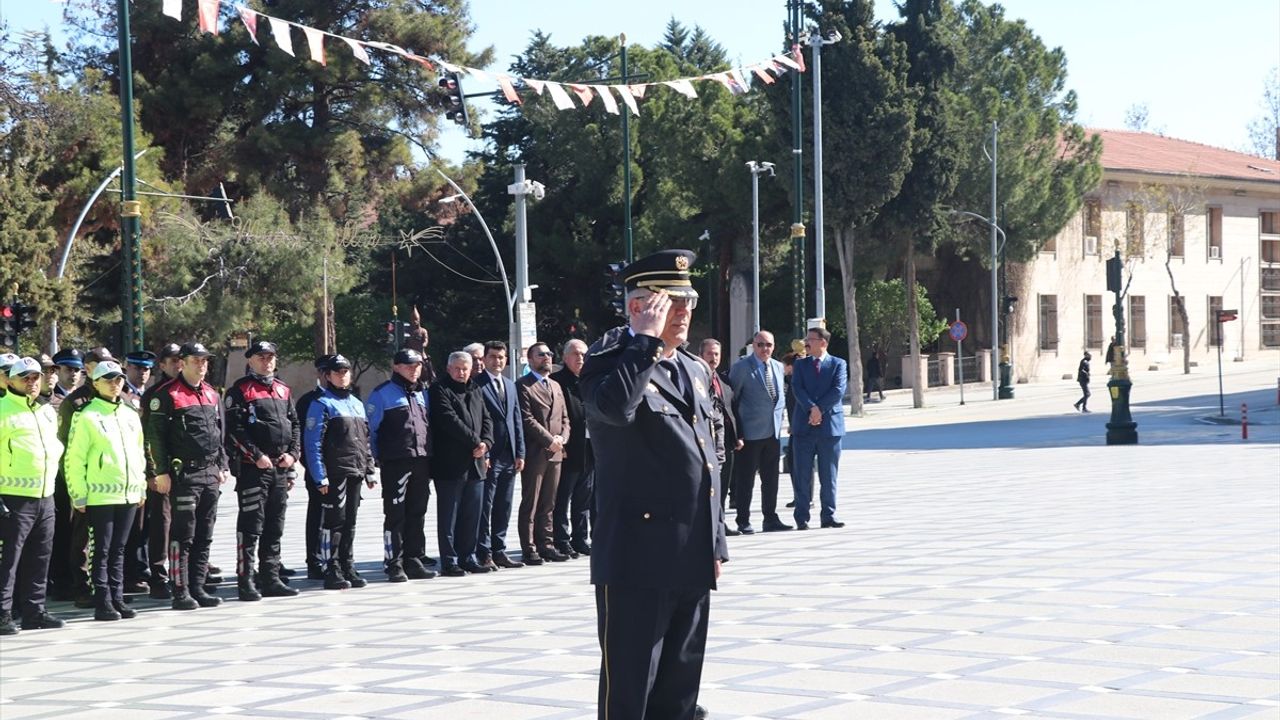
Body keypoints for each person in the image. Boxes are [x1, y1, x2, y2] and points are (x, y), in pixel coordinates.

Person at [582, 249, 727, 720]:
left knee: (680, 690)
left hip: (691, 554)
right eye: (672, 303)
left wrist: (716, 543)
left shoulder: (694, 368)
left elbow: (709, 459)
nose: (685, 312)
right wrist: (643, 343)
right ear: (637, 308)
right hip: (636, 559)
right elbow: (616, 411)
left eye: (690, 301)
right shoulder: (608, 362)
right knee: (631, 693)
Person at [144, 342, 230, 610]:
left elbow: (218, 432)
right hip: (184, 474)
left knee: (205, 533)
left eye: (205, 361)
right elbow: (154, 437)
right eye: (196, 360)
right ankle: (180, 590)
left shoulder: (211, 394)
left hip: (209, 472)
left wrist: (222, 465)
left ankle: (198, 586)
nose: (202, 366)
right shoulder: (168, 394)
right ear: (183, 363)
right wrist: (160, 471)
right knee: (184, 534)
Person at [63, 360, 146, 621]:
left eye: (118, 379)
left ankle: (117, 598)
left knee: (119, 549)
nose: (115, 384)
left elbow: (139, 453)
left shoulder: (130, 413)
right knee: (102, 550)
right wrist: (78, 493)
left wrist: (141, 485)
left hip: (128, 492)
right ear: (95, 383)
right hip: (99, 495)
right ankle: (103, 601)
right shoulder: (86, 414)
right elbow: (74, 458)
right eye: (108, 380)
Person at [224, 340, 302, 600]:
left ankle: (271, 577)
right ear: (250, 360)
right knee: (251, 526)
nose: (266, 361)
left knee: (274, 525)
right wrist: (255, 455)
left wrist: (292, 456)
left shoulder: (283, 390)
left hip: (279, 468)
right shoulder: (240, 390)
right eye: (261, 357)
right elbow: (234, 430)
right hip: (253, 469)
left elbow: (295, 426)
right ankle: (246, 581)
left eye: (270, 357)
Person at [0, 357, 66, 635]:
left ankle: (34, 611)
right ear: (10, 381)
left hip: (44, 495)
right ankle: (3, 614)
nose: (32, 383)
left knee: (40, 557)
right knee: (9, 561)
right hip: (13, 496)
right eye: (25, 378)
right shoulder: (3, 410)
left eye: (36, 377)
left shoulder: (46, 411)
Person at [303, 354, 377, 590]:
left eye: (345, 371)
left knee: (350, 522)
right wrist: (319, 475)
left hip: (354, 470)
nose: (342, 376)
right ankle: (331, 567)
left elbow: (365, 440)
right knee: (333, 523)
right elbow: (312, 443)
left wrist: (369, 469)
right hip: (334, 472)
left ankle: (347, 563)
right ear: (327, 376)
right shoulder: (321, 403)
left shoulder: (356, 403)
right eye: (337, 372)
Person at [366, 348, 437, 582]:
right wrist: (376, 459)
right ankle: (393, 562)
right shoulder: (382, 394)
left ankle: (414, 559)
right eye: (408, 365)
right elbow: (371, 431)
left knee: (418, 512)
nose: (414, 370)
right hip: (396, 462)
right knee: (395, 515)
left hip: (421, 460)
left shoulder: (422, 393)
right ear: (396, 367)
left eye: (417, 365)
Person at [53, 346, 117, 608]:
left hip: (113, 483)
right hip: (85, 482)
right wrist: (74, 485)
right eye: (100, 365)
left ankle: (111, 585)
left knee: (110, 540)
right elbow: (68, 447)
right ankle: (81, 586)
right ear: (90, 369)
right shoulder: (76, 402)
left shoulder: (119, 398)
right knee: (82, 538)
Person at [429, 351, 493, 577]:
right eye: (456, 368)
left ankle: (468, 556)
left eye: (465, 368)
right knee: (449, 516)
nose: (461, 372)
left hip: (476, 463)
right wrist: (476, 441)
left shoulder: (475, 388)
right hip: (450, 464)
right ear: (448, 369)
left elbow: (487, 419)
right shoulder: (438, 390)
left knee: (472, 515)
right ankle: (450, 560)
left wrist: (486, 443)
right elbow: (448, 420)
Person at [728, 330, 791, 534]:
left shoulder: (777, 366)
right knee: (746, 479)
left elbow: (779, 397)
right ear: (753, 346)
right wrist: (738, 432)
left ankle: (770, 518)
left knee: (771, 478)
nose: (765, 349)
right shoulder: (741, 368)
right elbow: (733, 400)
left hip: (772, 432)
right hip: (750, 434)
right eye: (761, 345)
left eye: (769, 345)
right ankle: (743, 519)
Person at [516, 342, 571, 564]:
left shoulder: (556, 386)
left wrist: (562, 439)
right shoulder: (523, 385)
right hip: (536, 451)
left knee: (549, 502)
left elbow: (565, 418)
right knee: (532, 501)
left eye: (549, 354)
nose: (547, 357)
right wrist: (549, 440)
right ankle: (529, 548)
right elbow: (527, 419)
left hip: (556, 452)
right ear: (530, 360)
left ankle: (546, 544)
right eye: (541, 355)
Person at [790, 327, 848, 530]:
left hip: (830, 428)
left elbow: (838, 390)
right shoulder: (800, 364)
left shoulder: (838, 364)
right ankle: (801, 517)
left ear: (823, 343)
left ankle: (828, 516)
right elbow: (797, 388)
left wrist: (819, 410)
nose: (806, 343)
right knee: (802, 474)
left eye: (810, 340)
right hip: (803, 428)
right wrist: (811, 408)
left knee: (828, 475)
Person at [474, 340, 526, 570]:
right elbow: (477, 421)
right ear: (484, 359)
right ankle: (483, 551)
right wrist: (483, 451)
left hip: (509, 455)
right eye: (493, 356)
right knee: (486, 505)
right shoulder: (477, 384)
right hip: (489, 454)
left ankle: (500, 549)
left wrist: (520, 452)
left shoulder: (510, 385)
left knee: (504, 504)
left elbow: (516, 420)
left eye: (501, 357)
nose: (498, 361)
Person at [140, 342, 183, 599]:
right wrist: (152, 472)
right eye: (173, 361)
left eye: (181, 360)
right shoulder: (155, 393)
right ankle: (159, 574)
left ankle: (184, 572)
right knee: (161, 524)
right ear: (163, 365)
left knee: (187, 524)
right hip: (163, 470)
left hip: (188, 470)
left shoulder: (194, 390)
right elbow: (148, 437)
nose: (178, 365)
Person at [551, 339, 593, 558]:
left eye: (584, 355)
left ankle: (580, 537)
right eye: (575, 354)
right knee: (563, 497)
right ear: (565, 357)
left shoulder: (590, 380)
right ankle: (561, 538)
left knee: (583, 498)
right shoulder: (557, 382)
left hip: (590, 448)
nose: (580, 359)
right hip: (569, 448)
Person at [120, 350, 157, 594]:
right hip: (130, 468)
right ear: (127, 369)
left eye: (146, 368)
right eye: (137, 368)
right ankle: (132, 572)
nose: (142, 372)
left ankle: (144, 568)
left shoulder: (152, 395)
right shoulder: (123, 396)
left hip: (151, 466)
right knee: (133, 526)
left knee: (150, 524)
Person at [295, 355, 332, 580]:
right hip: (318, 466)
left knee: (341, 517)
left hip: (343, 467)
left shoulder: (347, 398)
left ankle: (337, 558)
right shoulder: (309, 401)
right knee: (318, 514)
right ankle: (315, 559)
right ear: (319, 374)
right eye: (326, 372)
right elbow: (302, 437)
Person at [700, 339, 741, 525]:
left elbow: (731, 409)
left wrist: (738, 435)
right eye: (709, 353)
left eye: (716, 354)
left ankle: (720, 523)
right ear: (701, 355)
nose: (713, 358)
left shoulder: (724, 380)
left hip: (726, 441)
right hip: (706, 440)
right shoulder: (696, 378)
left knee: (723, 484)